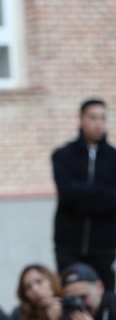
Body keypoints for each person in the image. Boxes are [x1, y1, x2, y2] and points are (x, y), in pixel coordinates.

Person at [52, 98, 116, 291]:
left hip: (104, 247)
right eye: (93, 117)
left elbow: (114, 200)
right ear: (81, 119)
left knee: (105, 298)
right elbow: (67, 195)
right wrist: (101, 193)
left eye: (102, 118)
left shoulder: (114, 159)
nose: (98, 123)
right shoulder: (63, 155)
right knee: (70, 295)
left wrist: (83, 194)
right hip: (69, 246)